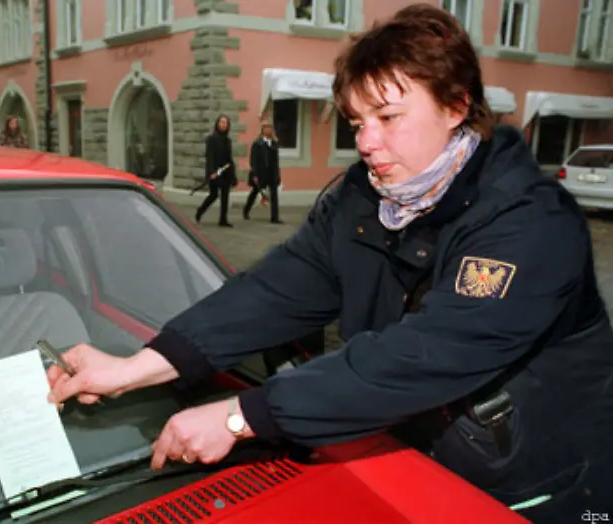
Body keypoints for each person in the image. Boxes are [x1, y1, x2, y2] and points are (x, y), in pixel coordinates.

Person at [46, 4, 613, 522]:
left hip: (533, 489)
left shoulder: (529, 222)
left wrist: (240, 417)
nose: (366, 142)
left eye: (388, 117)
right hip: (408, 462)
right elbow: (272, 293)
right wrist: (134, 367)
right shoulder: (363, 201)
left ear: (456, 105)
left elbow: (427, 355)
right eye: (357, 122)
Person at [195, 114, 237, 227]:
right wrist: (212, 171)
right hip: (215, 171)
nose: (224, 125)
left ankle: (223, 219)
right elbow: (210, 156)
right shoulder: (212, 139)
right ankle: (200, 211)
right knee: (213, 195)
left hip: (226, 171)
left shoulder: (228, 140)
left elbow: (229, 158)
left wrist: (233, 174)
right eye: (222, 122)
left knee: (225, 195)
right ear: (217, 124)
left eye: (226, 123)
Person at [243, 122, 283, 223]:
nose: (268, 130)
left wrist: (277, 174)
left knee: (274, 195)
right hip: (261, 173)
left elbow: (276, 161)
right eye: (266, 128)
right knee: (255, 192)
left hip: (272, 173)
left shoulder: (274, 143)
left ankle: (275, 217)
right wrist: (255, 174)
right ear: (262, 130)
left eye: (270, 128)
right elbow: (253, 160)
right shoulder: (257, 143)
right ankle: (246, 210)